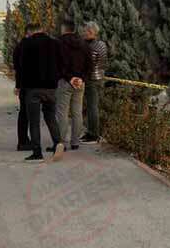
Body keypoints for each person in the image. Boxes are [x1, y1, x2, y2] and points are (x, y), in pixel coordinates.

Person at [12, 22, 63, 162]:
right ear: (42, 30)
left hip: (32, 88)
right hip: (51, 88)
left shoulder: (26, 44)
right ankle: (58, 142)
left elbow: (21, 67)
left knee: (34, 121)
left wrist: (18, 85)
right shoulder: (55, 43)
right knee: (50, 117)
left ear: (30, 32)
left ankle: (37, 153)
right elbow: (61, 64)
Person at [56, 21, 90, 150]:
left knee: (62, 113)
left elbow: (58, 64)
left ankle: (62, 142)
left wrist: (70, 78)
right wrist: (81, 78)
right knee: (77, 112)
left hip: (64, 81)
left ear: (63, 29)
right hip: (80, 83)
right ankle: (75, 142)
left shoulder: (58, 43)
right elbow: (89, 65)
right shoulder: (83, 44)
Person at [81, 21, 107, 143]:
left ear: (91, 32)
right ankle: (92, 132)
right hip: (100, 77)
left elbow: (88, 64)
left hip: (91, 79)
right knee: (94, 106)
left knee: (92, 107)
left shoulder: (90, 46)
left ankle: (93, 134)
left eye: (86, 31)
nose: (84, 33)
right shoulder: (102, 44)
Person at [12, 31, 32, 151]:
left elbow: (17, 68)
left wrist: (18, 85)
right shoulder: (28, 46)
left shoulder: (19, 46)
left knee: (24, 113)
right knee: (27, 114)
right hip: (30, 85)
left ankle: (23, 140)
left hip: (23, 84)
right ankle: (25, 141)